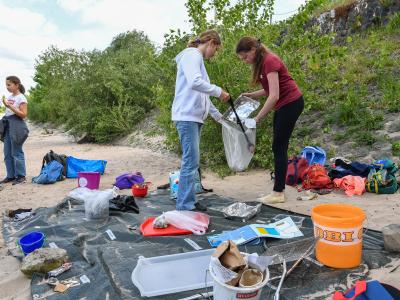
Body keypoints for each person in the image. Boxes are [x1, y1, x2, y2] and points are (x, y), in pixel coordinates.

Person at [236, 37, 304, 204]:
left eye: (245, 57)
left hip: (291, 103)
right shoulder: (262, 63)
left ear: (253, 49)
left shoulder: (270, 61)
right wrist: (252, 94)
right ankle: (278, 190)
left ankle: (278, 193)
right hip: (284, 105)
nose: (245, 61)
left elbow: (274, 95)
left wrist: (257, 118)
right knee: (278, 146)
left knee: (279, 147)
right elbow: (269, 90)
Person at [172, 29, 230, 211]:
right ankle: (185, 204)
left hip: (194, 118)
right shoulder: (192, 55)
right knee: (191, 161)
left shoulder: (196, 60)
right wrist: (219, 91)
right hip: (186, 116)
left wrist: (218, 117)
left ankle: (188, 200)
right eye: (216, 49)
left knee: (192, 161)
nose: (214, 54)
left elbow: (202, 95)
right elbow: (195, 83)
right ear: (211, 42)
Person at [0, 76, 29, 185]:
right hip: (8, 126)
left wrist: (10, 107)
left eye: (9, 84)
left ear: (16, 85)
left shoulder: (21, 98)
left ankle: (21, 176)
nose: (7, 87)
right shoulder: (10, 96)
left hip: (17, 126)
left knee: (16, 152)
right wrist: (6, 105)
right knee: (7, 152)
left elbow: (24, 115)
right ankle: (11, 175)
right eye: (6, 85)